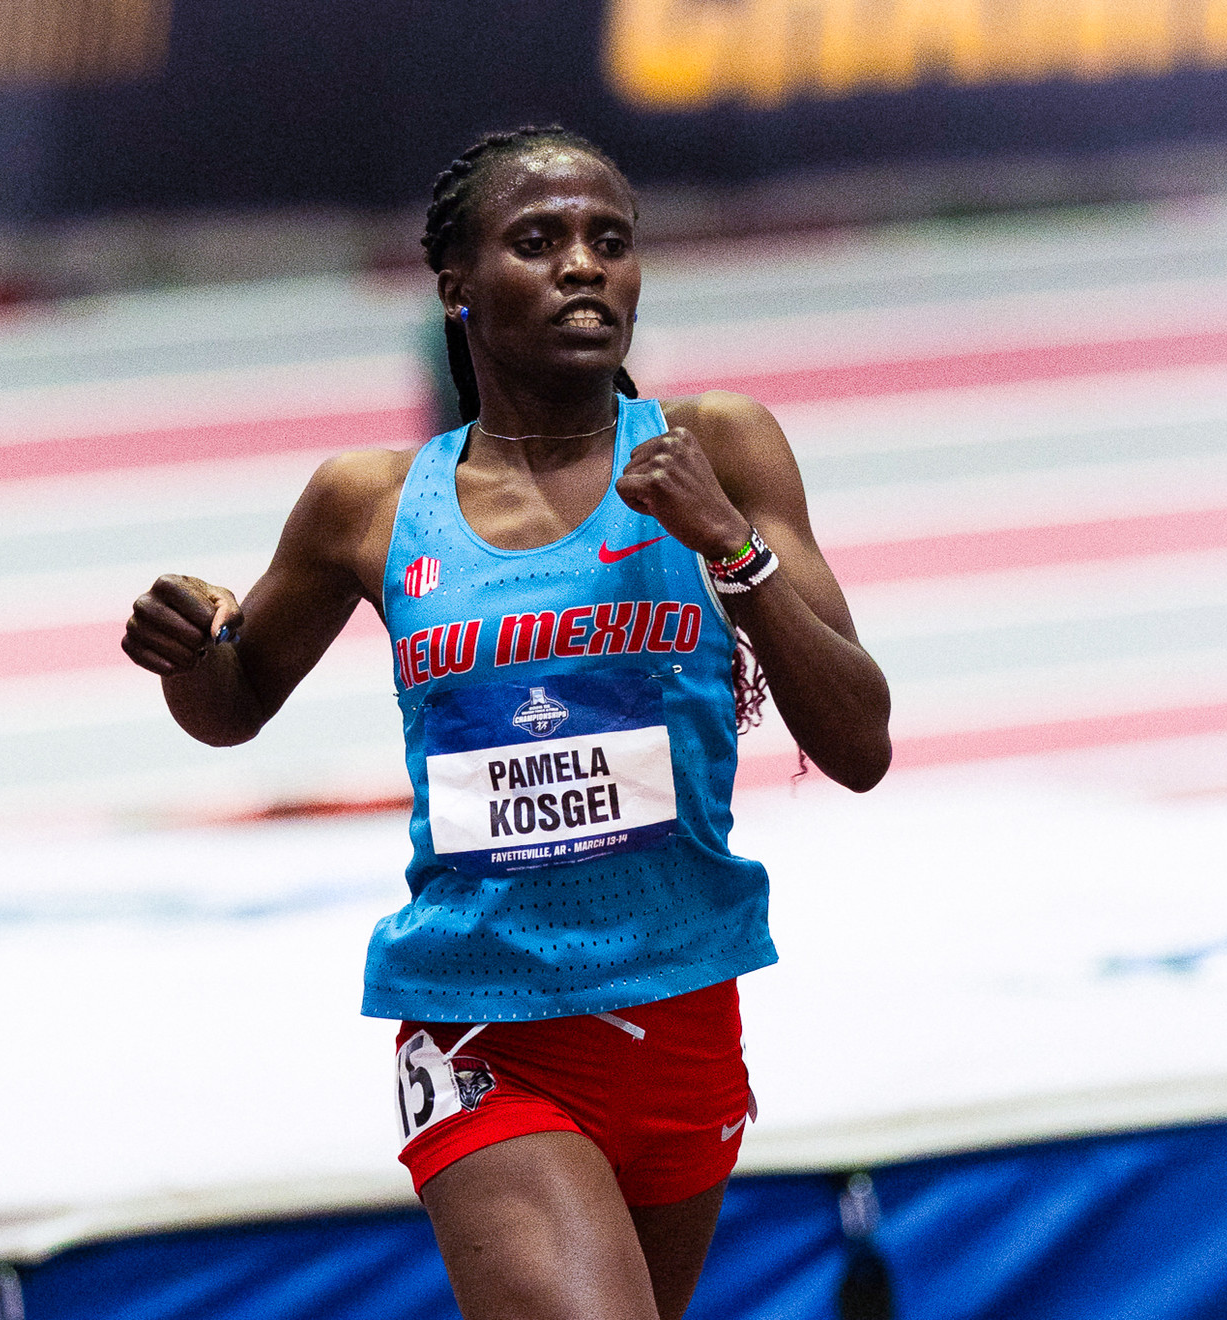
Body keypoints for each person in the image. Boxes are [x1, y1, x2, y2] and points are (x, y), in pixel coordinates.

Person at [122, 125, 891, 1320]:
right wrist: (185, 651)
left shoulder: (720, 449)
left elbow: (859, 744)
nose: (585, 266)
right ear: (458, 288)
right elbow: (229, 709)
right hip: (483, 1023)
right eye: (538, 243)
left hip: (685, 1006)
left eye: (611, 242)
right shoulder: (369, 505)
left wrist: (727, 546)